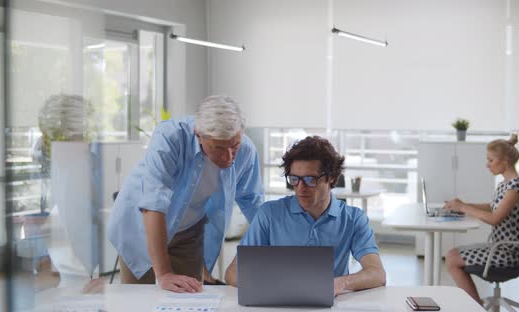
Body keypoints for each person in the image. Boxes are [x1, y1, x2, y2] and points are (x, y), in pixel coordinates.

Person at [107, 95, 264, 293]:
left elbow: (254, 204)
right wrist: (163, 274)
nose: (229, 157)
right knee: (138, 299)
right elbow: (153, 204)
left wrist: (280, 249)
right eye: (219, 148)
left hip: (189, 232)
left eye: (235, 146)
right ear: (199, 135)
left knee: (189, 297)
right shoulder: (169, 137)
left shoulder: (247, 151)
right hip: (142, 226)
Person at [224, 136, 386, 296]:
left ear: (332, 178)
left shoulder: (353, 218)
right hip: (279, 303)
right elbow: (232, 274)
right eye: (294, 179)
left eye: (310, 179)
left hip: (332, 305)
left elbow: (377, 273)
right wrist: (278, 284)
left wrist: (339, 283)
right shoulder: (269, 214)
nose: (300, 188)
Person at [444, 133, 519, 304]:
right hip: (500, 246)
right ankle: (476, 304)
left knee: (452, 258)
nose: (487, 165)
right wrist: (464, 204)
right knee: (452, 254)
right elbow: (492, 206)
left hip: (508, 252)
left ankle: (476, 307)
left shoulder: (515, 187)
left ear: (504, 161)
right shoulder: (505, 184)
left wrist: (464, 208)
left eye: (490, 160)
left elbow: (495, 218)